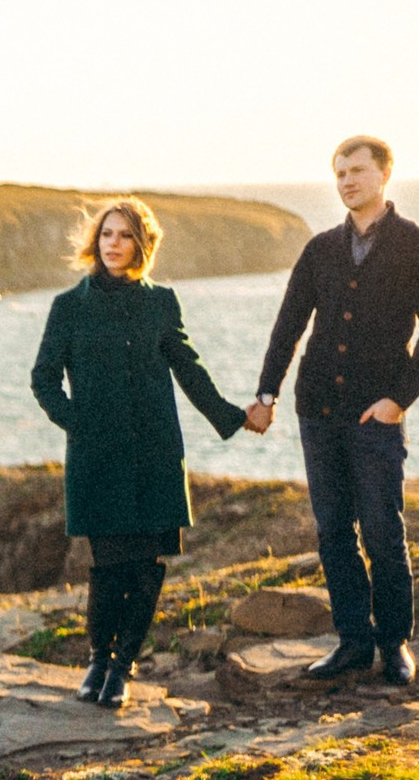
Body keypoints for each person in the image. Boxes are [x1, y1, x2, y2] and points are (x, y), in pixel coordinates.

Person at [31, 197, 263, 709]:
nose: (114, 244)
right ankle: (98, 659)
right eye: (107, 234)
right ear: (96, 241)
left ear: (143, 244)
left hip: (156, 453)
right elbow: (43, 379)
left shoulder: (162, 303)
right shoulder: (69, 306)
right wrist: (79, 425)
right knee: (109, 565)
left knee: (148, 565)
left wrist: (234, 416)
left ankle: (123, 665)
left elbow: (189, 369)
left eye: (126, 235)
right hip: (98, 458)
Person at [247, 136, 419, 686]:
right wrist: (266, 396)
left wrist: (398, 401)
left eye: (357, 171)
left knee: (383, 530)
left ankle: (394, 643)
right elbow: (289, 326)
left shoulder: (418, 246)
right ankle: (353, 643)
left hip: (375, 416)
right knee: (334, 531)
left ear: (384, 174)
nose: (346, 181)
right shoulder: (320, 250)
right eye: (339, 173)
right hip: (317, 412)